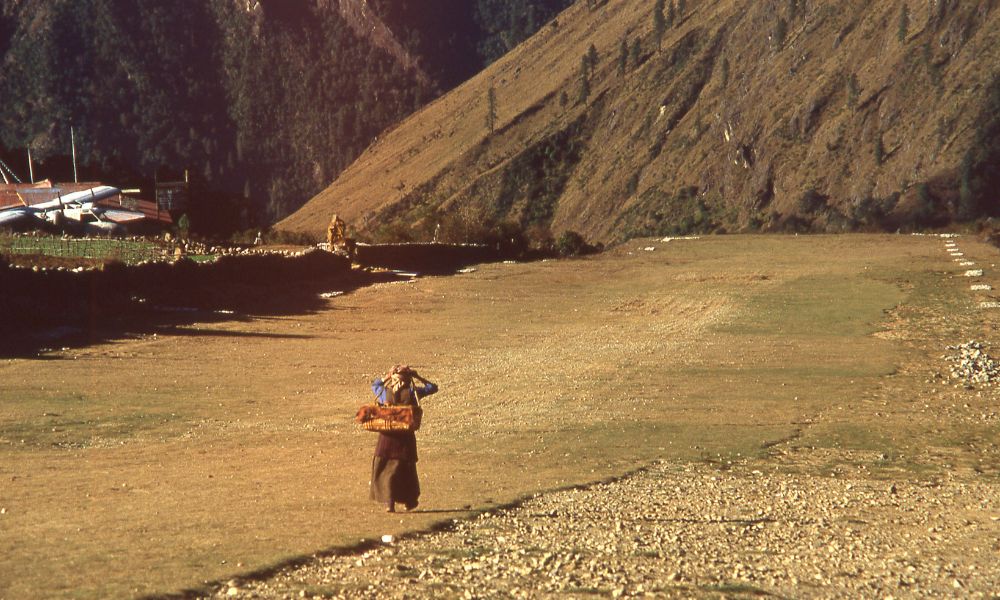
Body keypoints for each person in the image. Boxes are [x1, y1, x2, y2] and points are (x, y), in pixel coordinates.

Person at [369, 365, 438, 512]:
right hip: (405, 440)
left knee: (386, 471)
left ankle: (390, 504)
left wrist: (387, 376)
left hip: (387, 439)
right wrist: (417, 377)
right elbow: (432, 387)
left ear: (393, 380)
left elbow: (375, 384)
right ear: (408, 379)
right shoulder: (413, 393)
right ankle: (409, 501)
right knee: (406, 471)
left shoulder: (384, 393)